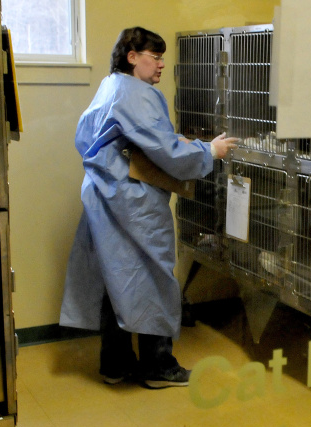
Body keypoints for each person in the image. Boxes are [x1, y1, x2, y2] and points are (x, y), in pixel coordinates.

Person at [60, 27, 238, 387]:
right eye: (154, 57)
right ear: (131, 56)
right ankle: (159, 366)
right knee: (154, 275)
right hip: (131, 200)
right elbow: (163, 149)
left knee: (115, 276)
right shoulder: (136, 94)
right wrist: (208, 151)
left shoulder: (110, 86)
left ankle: (115, 363)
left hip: (104, 192)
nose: (160, 65)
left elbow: (90, 137)